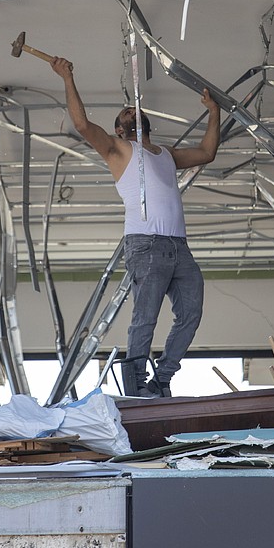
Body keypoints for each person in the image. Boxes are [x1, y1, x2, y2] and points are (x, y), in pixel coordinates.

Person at [50, 55, 221, 397]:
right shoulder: (117, 150)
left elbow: (206, 153)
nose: (131, 111)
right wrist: (67, 76)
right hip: (146, 244)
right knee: (146, 316)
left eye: (134, 111)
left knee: (191, 311)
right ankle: (136, 384)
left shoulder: (165, 154)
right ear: (118, 129)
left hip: (178, 247)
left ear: (146, 123)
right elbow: (83, 126)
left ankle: (162, 380)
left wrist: (214, 113)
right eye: (125, 114)